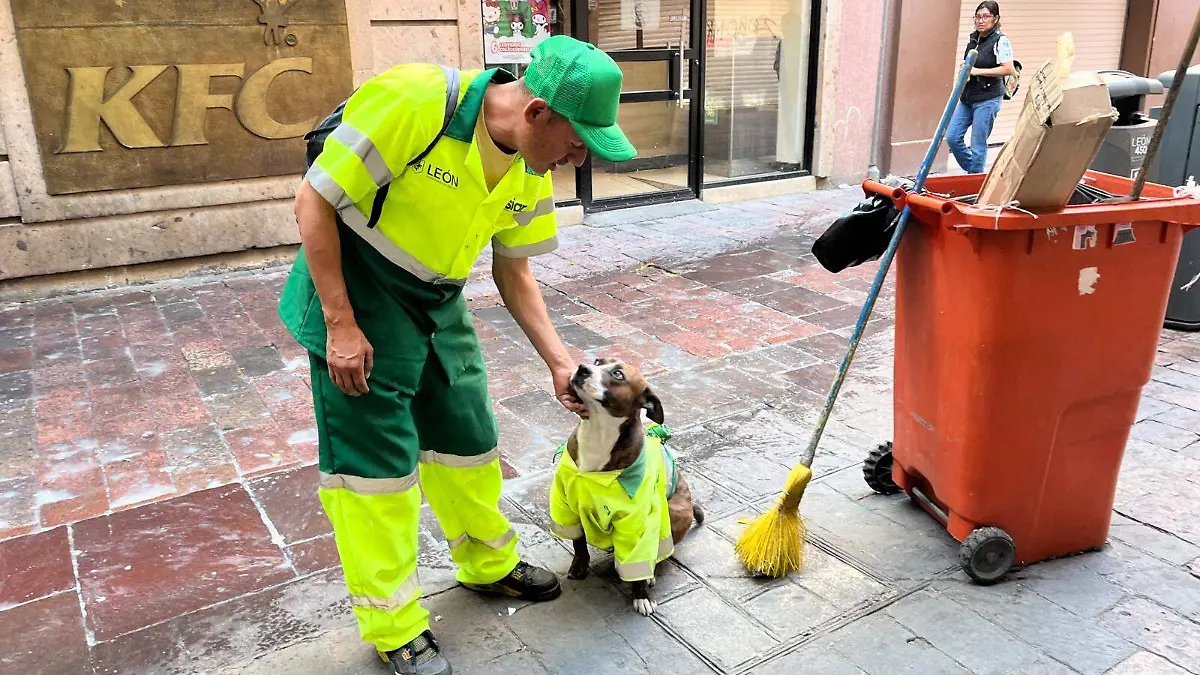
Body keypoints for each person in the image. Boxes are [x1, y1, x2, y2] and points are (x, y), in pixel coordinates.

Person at [277, 35, 636, 675]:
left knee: (468, 438)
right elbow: (315, 199)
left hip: (438, 298)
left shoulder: (531, 168)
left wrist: (558, 360)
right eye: (577, 139)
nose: (579, 156)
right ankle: (394, 625)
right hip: (357, 288)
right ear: (537, 113)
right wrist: (340, 324)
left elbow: (515, 271)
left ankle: (486, 561)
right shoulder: (418, 101)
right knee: (374, 468)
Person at [947, 1, 1015, 174]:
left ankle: (974, 181)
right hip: (968, 96)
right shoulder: (973, 38)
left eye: (986, 16)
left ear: (996, 19)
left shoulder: (1001, 41)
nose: (981, 21)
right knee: (953, 136)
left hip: (988, 98)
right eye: (977, 17)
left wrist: (977, 71)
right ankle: (975, 173)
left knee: (978, 144)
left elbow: (1008, 69)